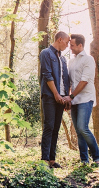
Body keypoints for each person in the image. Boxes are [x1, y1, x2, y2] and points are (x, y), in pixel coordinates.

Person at [68, 34, 99, 166]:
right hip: (74, 100)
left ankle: (97, 158)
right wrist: (69, 99)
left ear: (80, 45)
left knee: (83, 127)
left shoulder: (88, 59)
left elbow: (85, 81)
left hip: (86, 98)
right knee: (79, 131)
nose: (69, 47)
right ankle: (84, 160)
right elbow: (70, 82)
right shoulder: (71, 61)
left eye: (72, 45)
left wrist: (71, 96)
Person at [39, 31, 71, 168]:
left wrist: (65, 97)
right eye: (67, 42)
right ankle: (44, 159)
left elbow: (65, 79)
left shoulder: (63, 59)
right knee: (49, 126)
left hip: (61, 98)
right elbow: (47, 75)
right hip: (50, 97)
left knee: (56, 128)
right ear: (60, 39)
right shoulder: (46, 53)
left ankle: (52, 159)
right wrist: (56, 94)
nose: (68, 45)